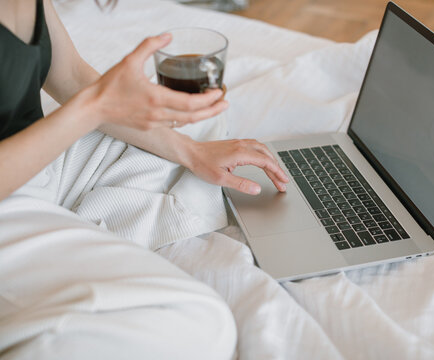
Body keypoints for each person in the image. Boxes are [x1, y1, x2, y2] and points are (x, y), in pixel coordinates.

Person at [0, 0, 288, 358]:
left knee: (189, 121)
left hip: (36, 158)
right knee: (201, 325)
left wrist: (192, 153)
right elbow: (89, 104)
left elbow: (71, 77)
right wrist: (96, 107)